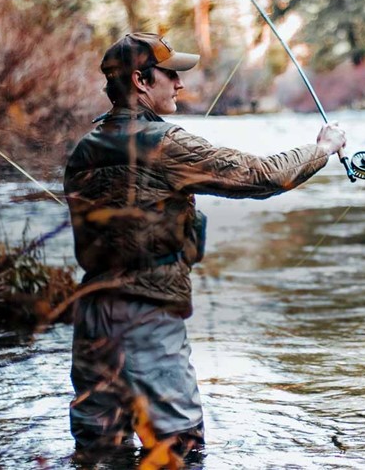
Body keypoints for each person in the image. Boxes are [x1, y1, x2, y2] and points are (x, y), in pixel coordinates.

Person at [64, 32, 346, 460]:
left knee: (98, 452)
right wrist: (321, 148)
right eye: (171, 74)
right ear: (141, 80)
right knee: (179, 451)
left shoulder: (83, 150)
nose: (179, 84)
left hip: (92, 317)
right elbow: (261, 176)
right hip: (148, 313)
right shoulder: (166, 144)